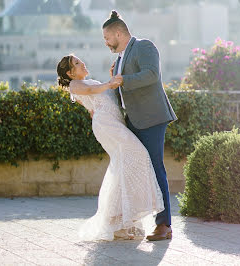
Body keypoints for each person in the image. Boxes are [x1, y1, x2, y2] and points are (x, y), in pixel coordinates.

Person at [56, 55, 164, 242]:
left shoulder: (90, 82)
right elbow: (90, 91)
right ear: (69, 73)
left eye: (81, 61)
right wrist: (110, 82)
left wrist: (110, 79)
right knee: (138, 155)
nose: (82, 63)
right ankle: (118, 220)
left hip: (114, 123)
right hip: (108, 127)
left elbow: (98, 103)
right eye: (77, 63)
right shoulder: (75, 85)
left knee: (124, 167)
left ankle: (119, 221)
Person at [102, 10, 178, 241]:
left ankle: (164, 225)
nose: (105, 43)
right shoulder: (119, 59)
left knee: (155, 169)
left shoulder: (144, 46)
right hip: (133, 121)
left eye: (107, 38)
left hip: (152, 119)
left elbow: (152, 75)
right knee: (134, 171)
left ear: (118, 33)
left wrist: (123, 79)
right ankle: (131, 222)